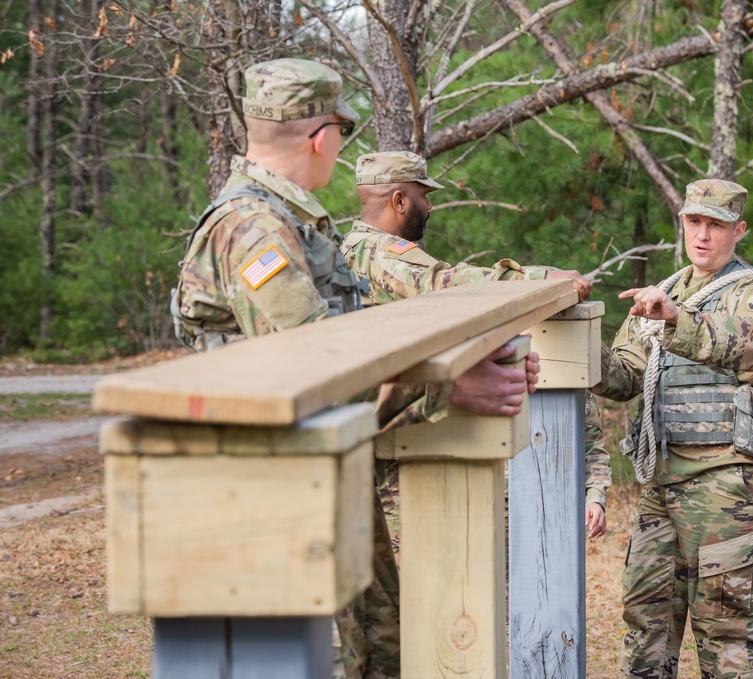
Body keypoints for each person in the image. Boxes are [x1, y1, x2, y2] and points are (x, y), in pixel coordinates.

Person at [170, 59, 537, 679]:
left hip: (324, 472)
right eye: (339, 131)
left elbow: (356, 331)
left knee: (381, 648)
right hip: (274, 491)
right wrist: (451, 386)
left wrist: (468, 360)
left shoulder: (293, 222)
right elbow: (316, 361)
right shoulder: (253, 228)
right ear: (320, 138)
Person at [341, 151, 610, 544]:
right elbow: (444, 285)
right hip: (389, 442)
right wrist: (537, 278)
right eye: (423, 196)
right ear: (399, 201)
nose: (429, 206)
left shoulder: (357, 249)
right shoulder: (377, 251)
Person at [593, 178, 753, 679]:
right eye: (694, 222)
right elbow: (621, 377)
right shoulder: (664, 292)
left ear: (739, 230)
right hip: (661, 484)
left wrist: (676, 319)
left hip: (726, 485)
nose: (702, 235)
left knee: (726, 628)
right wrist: (571, 338)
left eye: (716, 225)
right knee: (646, 622)